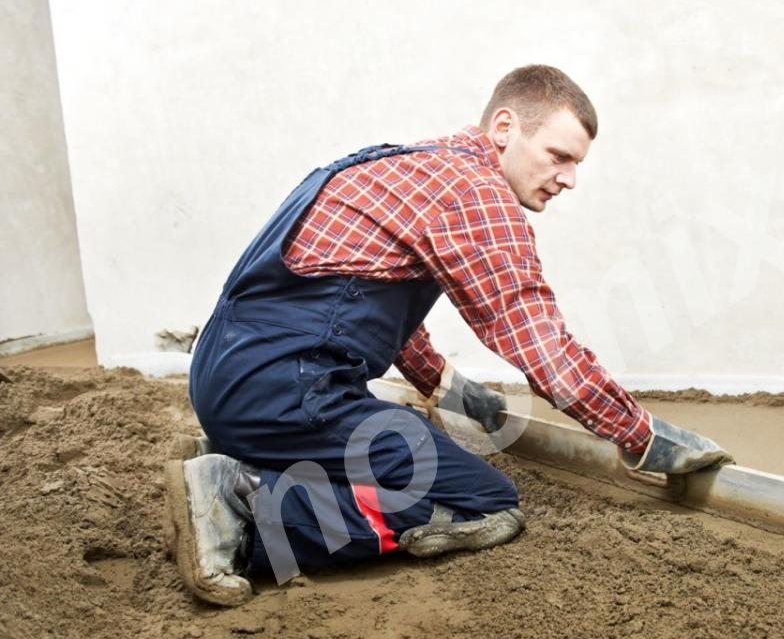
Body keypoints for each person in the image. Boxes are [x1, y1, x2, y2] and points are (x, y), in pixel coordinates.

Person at [164, 65, 733, 607]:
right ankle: (240, 509)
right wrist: (641, 435)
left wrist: (452, 389)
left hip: (226, 378)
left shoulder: (404, 168)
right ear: (505, 128)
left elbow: (362, 305)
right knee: (482, 501)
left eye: (577, 163)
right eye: (558, 156)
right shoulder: (474, 195)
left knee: (402, 439)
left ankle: (240, 450)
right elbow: (543, 348)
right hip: (288, 394)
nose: (569, 179)